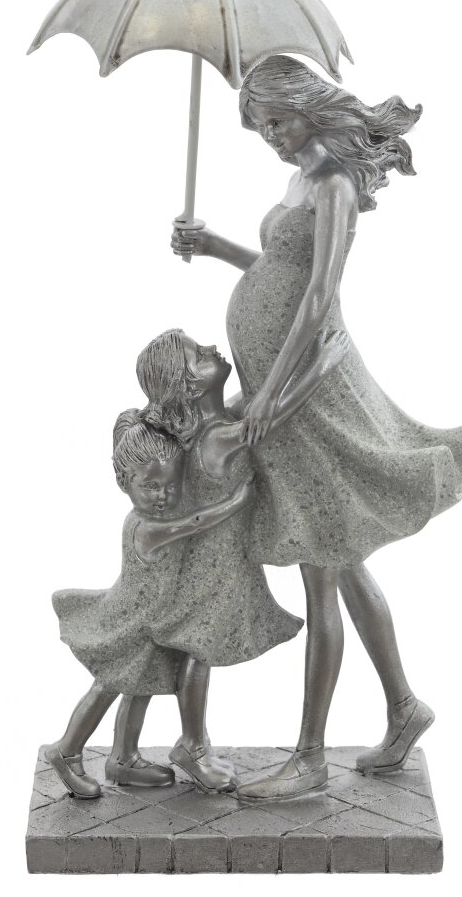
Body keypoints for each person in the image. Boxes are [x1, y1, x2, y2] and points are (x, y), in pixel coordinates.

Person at [171, 55, 462, 800]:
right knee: (340, 559)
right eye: (260, 127)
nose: (271, 136)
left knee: (322, 569)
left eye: (277, 120)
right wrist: (215, 247)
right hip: (282, 392)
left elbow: (317, 298)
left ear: (308, 107)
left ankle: (310, 757)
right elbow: (277, 268)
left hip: (309, 398)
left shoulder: (335, 184)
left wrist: (270, 393)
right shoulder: (299, 179)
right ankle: (404, 708)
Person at [130, 326, 350, 787]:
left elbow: (252, 407)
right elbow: (271, 417)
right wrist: (320, 367)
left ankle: (179, 744)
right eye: (199, 354)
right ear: (192, 386)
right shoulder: (217, 437)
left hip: (217, 561)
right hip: (213, 566)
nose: (211, 347)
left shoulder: (211, 423)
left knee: (196, 650)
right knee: (199, 651)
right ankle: (192, 745)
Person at [44, 410, 254, 798]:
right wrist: (235, 501)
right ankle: (66, 750)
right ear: (125, 482)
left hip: (151, 623)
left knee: (138, 688)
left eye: (170, 485)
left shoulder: (150, 515)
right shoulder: (144, 527)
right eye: (151, 486)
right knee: (107, 686)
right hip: (133, 622)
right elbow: (193, 522)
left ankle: (123, 759)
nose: (162, 496)